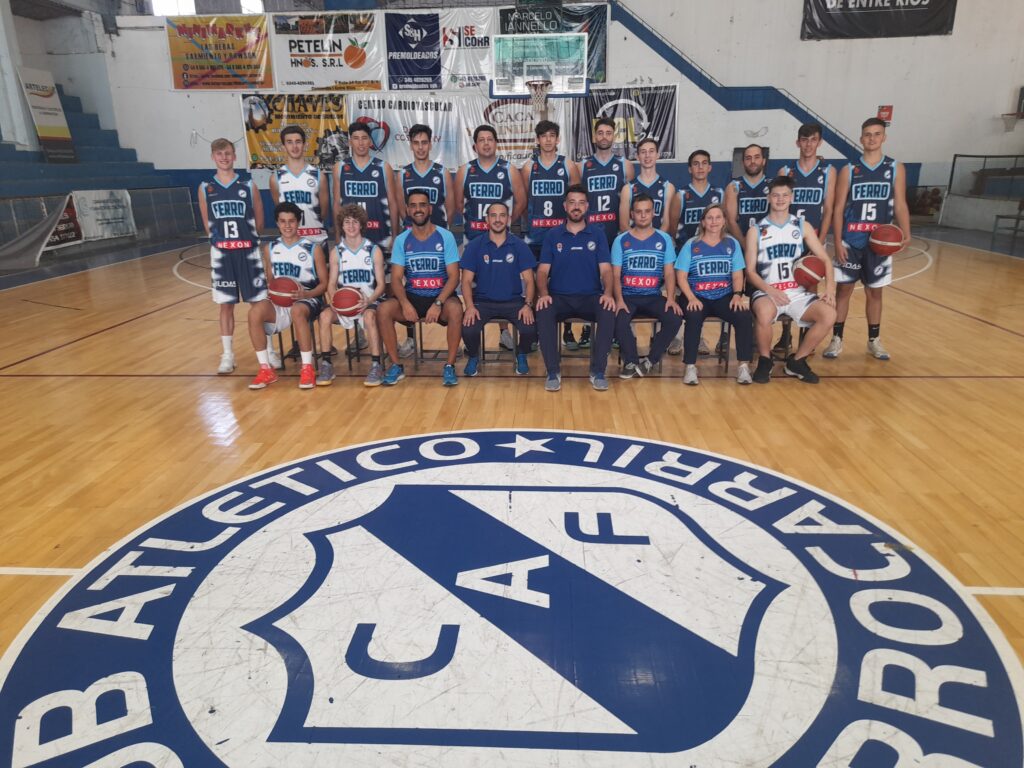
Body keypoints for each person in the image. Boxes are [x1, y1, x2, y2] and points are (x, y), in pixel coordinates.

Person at [824, 117, 911, 361]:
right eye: (868, 134)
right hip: (851, 241)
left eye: (876, 134)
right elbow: (838, 209)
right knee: (844, 290)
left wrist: (906, 231)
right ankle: (836, 338)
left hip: (879, 244)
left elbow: (900, 204)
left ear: (884, 137)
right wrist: (837, 241)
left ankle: (874, 340)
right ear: (861, 138)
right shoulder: (850, 170)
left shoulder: (895, 168)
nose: (872, 138)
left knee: (875, 293)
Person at [746, 176, 836, 384]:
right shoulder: (756, 230)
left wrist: (830, 289)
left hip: (797, 293)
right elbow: (750, 272)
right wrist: (770, 290)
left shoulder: (802, 226)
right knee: (764, 312)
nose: (780, 199)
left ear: (792, 197)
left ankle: (797, 361)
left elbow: (825, 259)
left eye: (785, 195)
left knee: (829, 314)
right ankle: (765, 361)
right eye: (776, 195)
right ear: (768, 198)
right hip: (767, 291)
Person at [376, 190, 463, 386]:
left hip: (440, 296)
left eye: (422, 205)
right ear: (408, 210)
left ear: (430, 209)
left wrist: (438, 303)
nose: (418, 209)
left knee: (456, 310)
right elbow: (396, 278)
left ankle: (449, 366)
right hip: (413, 296)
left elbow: (454, 277)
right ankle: (396, 366)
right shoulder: (402, 240)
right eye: (413, 205)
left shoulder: (445, 236)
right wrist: (405, 304)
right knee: (383, 310)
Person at [535, 184, 616, 392]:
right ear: (565, 206)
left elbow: (606, 270)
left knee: (608, 310)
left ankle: (598, 372)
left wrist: (608, 293)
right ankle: (553, 372)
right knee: (543, 310)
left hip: (590, 297)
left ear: (587, 206)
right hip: (559, 298)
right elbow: (542, 271)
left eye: (581, 203)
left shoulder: (597, 234)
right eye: (572, 202)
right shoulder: (553, 235)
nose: (576, 207)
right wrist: (543, 294)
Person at [455, 124, 526, 353]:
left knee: (502, 285)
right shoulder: (465, 170)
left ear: (496, 143)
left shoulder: (509, 170)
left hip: (500, 240)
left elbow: (521, 201)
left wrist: (504, 223)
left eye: (490, 139)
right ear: (475, 145)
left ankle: (504, 333)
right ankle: (471, 335)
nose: (486, 143)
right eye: (481, 140)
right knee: (473, 286)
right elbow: (458, 203)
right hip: (473, 239)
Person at [197, 137, 265, 375]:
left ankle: (268, 351)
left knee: (258, 304)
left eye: (227, 153)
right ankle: (227, 354)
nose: (224, 158)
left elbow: (260, 221)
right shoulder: (205, 188)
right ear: (213, 157)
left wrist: (246, 238)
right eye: (219, 154)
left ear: (234, 156)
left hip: (248, 252)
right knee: (226, 305)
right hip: (222, 254)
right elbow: (207, 224)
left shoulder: (248, 186)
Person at [247, 202, 328, 390]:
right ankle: (265, 369)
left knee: (298, 310)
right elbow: (270, 280)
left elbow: (324, 284)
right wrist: (273, 293)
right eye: (283, 221)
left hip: (308, 298)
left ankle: (307, 368)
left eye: (291, 221)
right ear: (277, 223)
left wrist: (306, 293)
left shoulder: (312, 248)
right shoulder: (270, 248)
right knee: (254, 313)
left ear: (298, 222)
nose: (287, 225)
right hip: (280, 300)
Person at [774, 123, 836, 358]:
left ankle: (805, 340)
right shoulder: (786, 171)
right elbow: (778, 204)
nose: (808, 144)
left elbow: (828, 209)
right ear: (797, 142)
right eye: (804, 139)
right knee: (787, 287)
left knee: (810, 286)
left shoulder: (828, 171)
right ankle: (785, 336)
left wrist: (819, 240)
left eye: (813, 140)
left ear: (819, 142)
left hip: (814, 237)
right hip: (788, 240)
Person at [675, 204, 754, 385]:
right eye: (709, 218)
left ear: (724, 221)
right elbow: (681, 276)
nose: (714, 221)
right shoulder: (692, 244)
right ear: (703, 222)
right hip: (696, 295)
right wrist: (691, 298)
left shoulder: (731, 244)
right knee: (694, 315)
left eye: (718, 217)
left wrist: (737, 295)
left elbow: (737, 274)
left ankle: (743, 366)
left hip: (723, 296)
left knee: (743, 316)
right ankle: (690, 366)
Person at [521, 120, 582, 351]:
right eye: (543, 136)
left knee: (562, 283)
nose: (548, 140)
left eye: (552, 135)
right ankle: (537, 330)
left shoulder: (568, 165)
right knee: (536, 285)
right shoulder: (529, 167)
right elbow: (524, 201)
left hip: (561, 236)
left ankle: (567, 330)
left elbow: (576, 200)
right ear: (537, 140)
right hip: (536, 236)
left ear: (558, 139)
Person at [460, 200, 537, 377]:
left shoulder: (519, 245)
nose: (497, 220)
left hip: (513, 302)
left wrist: (527, 305)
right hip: (483, 302)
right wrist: (469, 307)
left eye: (502, 215)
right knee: (468, 328)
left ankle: (521, 354)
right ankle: (473, 356)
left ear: (508, 219)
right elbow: (466, 281)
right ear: (487, 219)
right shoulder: (475, 246)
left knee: (530, 328)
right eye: (493, 215)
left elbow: (529, 280)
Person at [609, 194, 683, 379]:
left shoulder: (664, 239)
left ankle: (650, 360)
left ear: (653, 213)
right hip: (628, 296)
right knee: (617, 318)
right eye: (639, 212)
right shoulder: (621, 240)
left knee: (675, 318)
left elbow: (669, 273)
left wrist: (671, 298)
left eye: (647, 211)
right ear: (632, 214)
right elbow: (615, 275)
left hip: (653, 296)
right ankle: (631, 361)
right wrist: (619, 300)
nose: (643, 215)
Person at [576, 117, 633, 351]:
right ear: (594, 136)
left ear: (614, 136)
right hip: (589, 234)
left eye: (608, 133)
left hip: (614, 233)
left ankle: (617, 328)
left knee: (616, 280)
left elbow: (629, 200)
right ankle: (588, 328)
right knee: (589, 281)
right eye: (600, 132)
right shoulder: (582, 165)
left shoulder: (625, 165)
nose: (604, 137)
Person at [317, 203, 386, 386]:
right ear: (342, 225)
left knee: (370, 316)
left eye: (355, 222)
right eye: (347, 222)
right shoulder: (336, 252)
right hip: (344, 303)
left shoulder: (373, 250)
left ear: (361, 224)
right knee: (324, 316)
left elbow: (381, 285)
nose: (351, 226)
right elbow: (331, 284)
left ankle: (376, 365)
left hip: (368, 302)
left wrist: (369, 300)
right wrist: (334, 301)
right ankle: (326, 364)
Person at [667, 148, 723, 356]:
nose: (700, 167)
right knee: (680, 296)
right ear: (690, 168)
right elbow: (673, 227)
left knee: (702, 295)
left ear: (710, 167)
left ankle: (698, 338)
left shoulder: (718, 194)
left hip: (710, 256)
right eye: (696, 164)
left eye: (704, 163)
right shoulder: (681, 195)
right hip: (686, 254)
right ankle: (676, 336)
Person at [332, 122, 398, 251]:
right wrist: (338, 235)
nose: (360, 143)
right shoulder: (340, 167)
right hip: (350, 236)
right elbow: (336, 205)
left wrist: (395, 236)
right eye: (356, 138)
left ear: (370, 142)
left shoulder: (383, 167)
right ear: (350, 142)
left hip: (380, 235)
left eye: (364, 138)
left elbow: (393, 204)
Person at [269, 125, 329, 245]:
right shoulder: (276, 178)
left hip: (316, 239)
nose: (294, 146)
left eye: (298, 142)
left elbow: (324, 212)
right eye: (289, 142)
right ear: (283, 147)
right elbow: (279, 209)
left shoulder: (318, 176)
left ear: (305, 145)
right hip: (290, 241)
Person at [396, 123, 454, 231]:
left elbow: (450, 210)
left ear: (430, 145)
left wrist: (442, 231)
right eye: (416, 143)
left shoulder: (443, 173)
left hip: (437, 233)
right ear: (411, 146)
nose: (420, 147)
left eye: (424, 142)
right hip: (412, 235)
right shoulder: (402, 175)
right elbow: (402, 211)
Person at [619, 137, 675, 234]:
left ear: (657, 155)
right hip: (634, 242)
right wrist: (639, 240)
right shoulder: (628, 189)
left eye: (651, 151)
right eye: (643, 152)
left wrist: (654, 241)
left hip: (658, 242)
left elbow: (667, 224)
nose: (647, 155)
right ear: (637, 156)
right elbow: (624, 225)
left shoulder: (668, 187)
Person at [724, 143, 770, 242]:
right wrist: (745, 244)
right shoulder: (734, 186)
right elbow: (730, 221)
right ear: (743, 162)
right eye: (748, 158)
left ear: (764, 161)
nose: (752, 161)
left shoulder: (773, 185)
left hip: (767, 242)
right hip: (741, 244)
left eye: (757, 157)